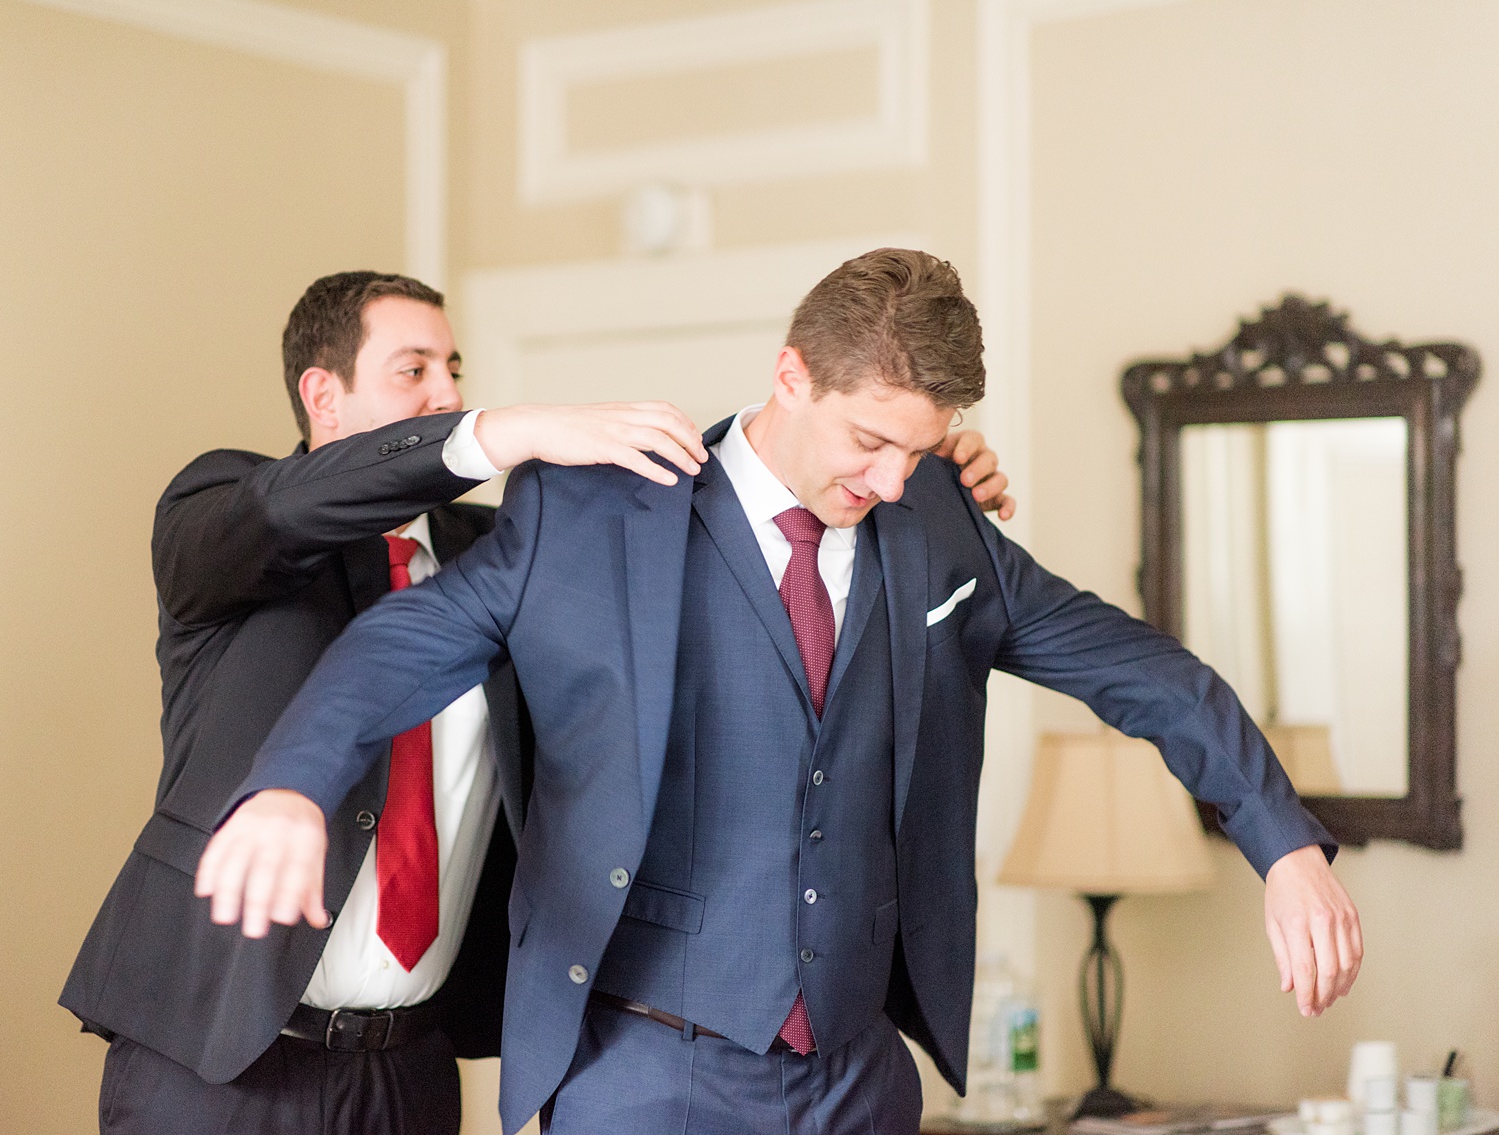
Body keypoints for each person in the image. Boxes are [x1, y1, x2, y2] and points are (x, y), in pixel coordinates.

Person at [195, 249, 1360, 1135]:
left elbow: (1139, 669)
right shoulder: (595, 516)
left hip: (858, 1075)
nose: (890, 477)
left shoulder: (935, 524)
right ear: (789, 375)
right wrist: (293, 785)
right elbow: (401, 642)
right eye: (868, 440)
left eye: (919, 448)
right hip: (644, 1077)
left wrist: (1282, 844)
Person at [61, 268, 1017, 1135]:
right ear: (324, 394)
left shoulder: (503, 549)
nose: (446, 391)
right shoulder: (224, 520)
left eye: (455, 367)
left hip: (414, 1066)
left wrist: (923, 479)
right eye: (413, 369)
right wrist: (502, 433)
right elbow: (286, 507)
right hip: (214, 1059)